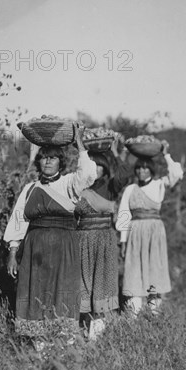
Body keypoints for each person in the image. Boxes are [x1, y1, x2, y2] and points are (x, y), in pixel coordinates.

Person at [3, 123, 97, 350]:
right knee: (37, 295)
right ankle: (40, 352)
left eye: (53, 158)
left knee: (63, 294)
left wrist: (79, 143)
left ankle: (64, 353)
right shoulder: (30, 189)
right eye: (44, 158)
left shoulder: (69, 184)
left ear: (60, 162)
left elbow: (88, 174)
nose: (48, 162)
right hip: (35, 253)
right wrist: (13, 253)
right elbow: (18, 221)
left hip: (64, 251)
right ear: (39, 161)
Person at [116, 140, 183, 315]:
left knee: (155, 270)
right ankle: (134, 316)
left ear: (151, 170)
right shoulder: (130, 189)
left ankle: (154, 315)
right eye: (139, 168)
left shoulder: (159, 185)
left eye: (145, 168)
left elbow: (177, 173)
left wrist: (166, 154)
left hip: (155, 233)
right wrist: (123, 241)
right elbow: (124, 214)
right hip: (135, 233)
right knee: (134, 271)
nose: (141, 171)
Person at [75, 138, 132, 340]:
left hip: (104, 242)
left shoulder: (110, 186)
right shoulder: (78, 187)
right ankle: (80, 332)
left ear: (106, 168)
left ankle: (96, 337)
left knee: (101, 284)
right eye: (93, 165)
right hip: (81, 241)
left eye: (100, 166)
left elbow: (125, 174)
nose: (97, 170)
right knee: (82, 285)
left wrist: (116, 153)